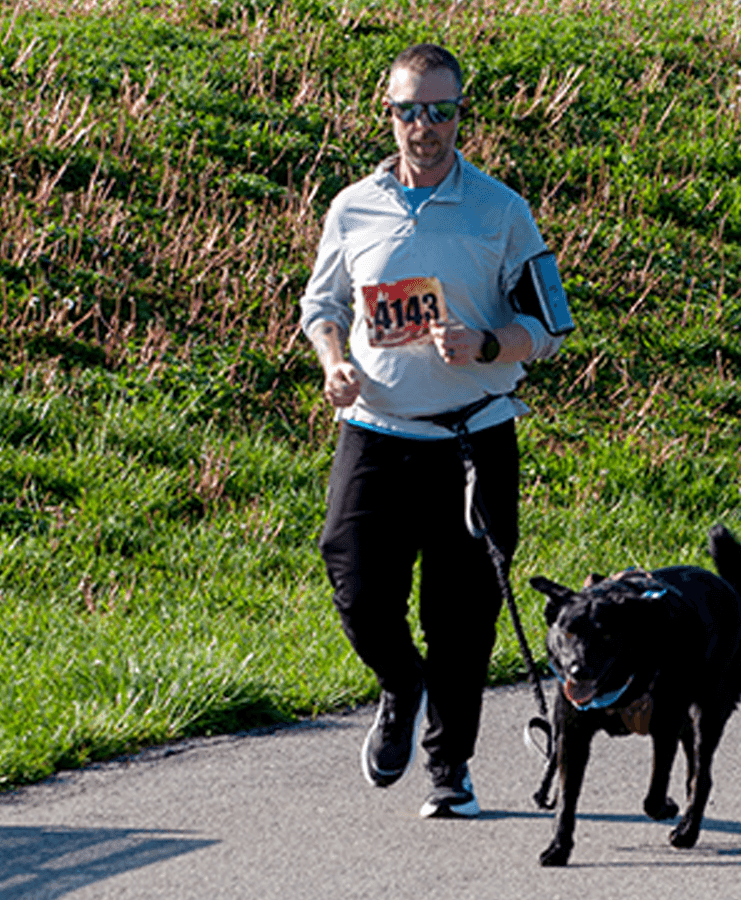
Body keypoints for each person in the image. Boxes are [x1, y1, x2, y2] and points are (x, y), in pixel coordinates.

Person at [298, 43, 565, 818]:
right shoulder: (353, 206)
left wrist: (486, 345)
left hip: (473, 438)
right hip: (376, 429)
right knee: (351, 576)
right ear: (389, 113)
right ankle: (400, 683)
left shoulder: (501, 211)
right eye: (410, 110)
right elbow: (323, 309)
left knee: (463, 613)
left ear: (460, 116)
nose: (425, 126)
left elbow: (549, 324)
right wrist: (332, 363)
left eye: (441, 111)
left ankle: (450, 768)